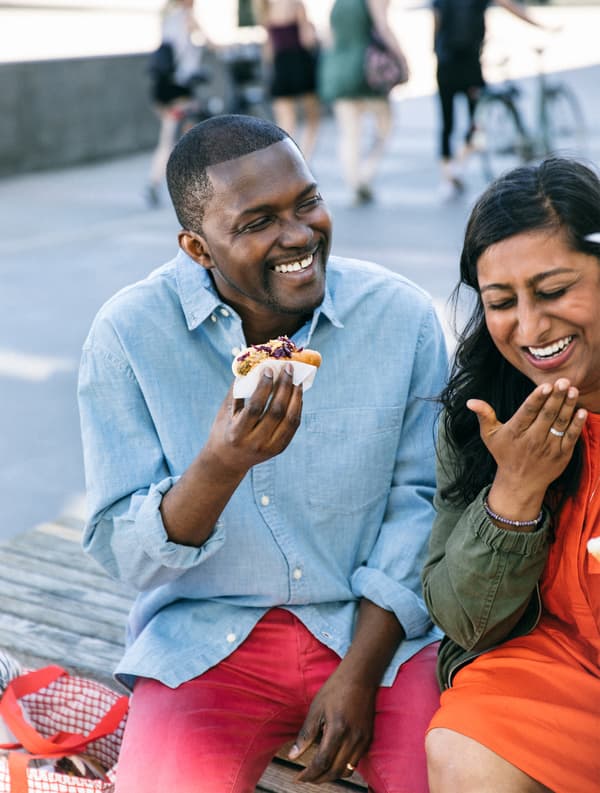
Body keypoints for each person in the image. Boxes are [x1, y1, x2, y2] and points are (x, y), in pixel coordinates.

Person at [78, 114, 449, 793]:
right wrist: (220, 466)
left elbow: (424, 505)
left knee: (451, 775)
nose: (299, 234)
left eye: (307, 202)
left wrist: (359, 672)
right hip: (205, 642)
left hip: (380, 637)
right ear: (198, 248)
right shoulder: (128, 335)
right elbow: (124, 554)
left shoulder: (400, 316)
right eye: (258, 223)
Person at [422, 157, 600, 791]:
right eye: (501, 302)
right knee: (462, 748)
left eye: (552, 291)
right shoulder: (483, 415)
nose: (529, 327)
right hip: (557, 668)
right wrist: (515, 494)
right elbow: (466, 623)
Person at [432, 0, 545, 200]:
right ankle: (458, 168)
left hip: (445, 64)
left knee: (447, 124)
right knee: (477, 122)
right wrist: (541, 26)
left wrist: (435, 51)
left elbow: (436, 23)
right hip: (470, 67)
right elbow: (511, 6)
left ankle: (447, 176)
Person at [319, 0, 408, 206]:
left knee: (349, 133)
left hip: (338, 69)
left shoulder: (338, 4)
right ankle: (366, 174)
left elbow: (328, 36)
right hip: (366, 70)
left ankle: (354, 182)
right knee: (386, 125)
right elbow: (383, 27)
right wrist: (401, 58)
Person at [145, 0, 207, 207]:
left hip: (162, 89)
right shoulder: (187, 18)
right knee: (192, 137)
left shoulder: (166, 17)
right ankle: (191, 185)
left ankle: (154, 181)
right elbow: (208, 42)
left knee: (167, 139)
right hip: (180, 90)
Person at [252, 0, 321, 161]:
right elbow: (307, 40)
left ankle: (285, 160)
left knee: (285, 122)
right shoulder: (296, 6)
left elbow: (268, 51)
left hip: (280, 66)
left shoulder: (266, 9)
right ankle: (304, 159)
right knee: (312, 119)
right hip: (300, 64)